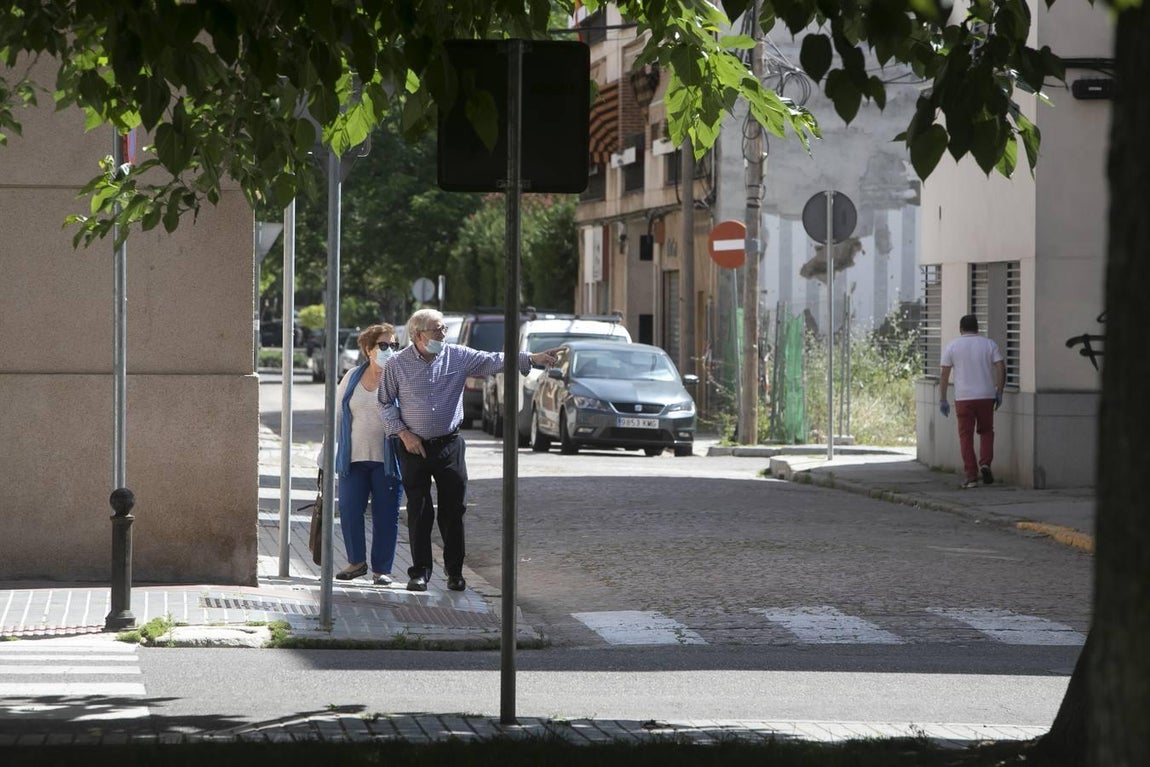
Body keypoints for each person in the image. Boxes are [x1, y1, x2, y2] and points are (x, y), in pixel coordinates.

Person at [378, 308, 558, 592]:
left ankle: (454, 572)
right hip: (413, 446)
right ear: (417, 334)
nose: (443, 334)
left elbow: (493, 361)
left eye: (443, 329)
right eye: (437, 330)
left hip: (449, 444)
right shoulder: (396, 365)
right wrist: (403, 433)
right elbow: (385, 403)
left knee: (453, 510)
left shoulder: (457, 355)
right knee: (419, 510)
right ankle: (420, 572)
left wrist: (532, 359)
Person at [325, 323, 404, 585]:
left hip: (388, 460)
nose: (390, 350)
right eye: (383, 346)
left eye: (394, 345)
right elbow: (337, 415)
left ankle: (382, 570)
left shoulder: (402, 377)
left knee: (386, 515)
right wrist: (326, 454)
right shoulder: (352, 377)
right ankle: (356, 561)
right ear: (368, 349)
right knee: (348, 510)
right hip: (353, 459)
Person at [938, 314, 1005, 489]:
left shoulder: (953, 346)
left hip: (964, 398)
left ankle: (971, 476)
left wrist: (943, 398)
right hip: (986, 396)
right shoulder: (989, 344)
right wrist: (1000, 390)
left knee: (966, 437)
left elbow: (944, 373)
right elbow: (1000, 366)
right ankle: (985, 464)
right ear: (977, 328)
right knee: (986, 432)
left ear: (961, 329)